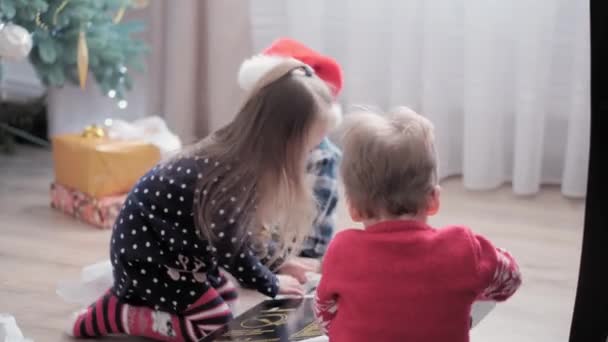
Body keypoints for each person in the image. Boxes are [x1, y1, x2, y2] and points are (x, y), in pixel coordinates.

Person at [67, 53, 341, 342]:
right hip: (151, 260)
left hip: (179, 253)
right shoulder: (232, 177)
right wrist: (271, 282)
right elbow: (231, 250)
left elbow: (243, 234)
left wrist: (278, 263)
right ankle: (120, 313)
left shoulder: (242, 159)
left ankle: (138, 304)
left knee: (227, 298)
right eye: (310, 144)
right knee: (213, 326)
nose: (313, 152)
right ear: (283, 139)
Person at [314, 108, 522, 342]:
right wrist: (466, 290)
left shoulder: (342, 250)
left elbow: (323, 311)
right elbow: (511, 278)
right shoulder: (463, 249)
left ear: (353, 208)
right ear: (433, 200)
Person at [237, 38, 343, 260]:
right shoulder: (246, 149)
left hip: (293, 253)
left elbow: (312, 246)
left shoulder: (322, 159)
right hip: (251, 250)